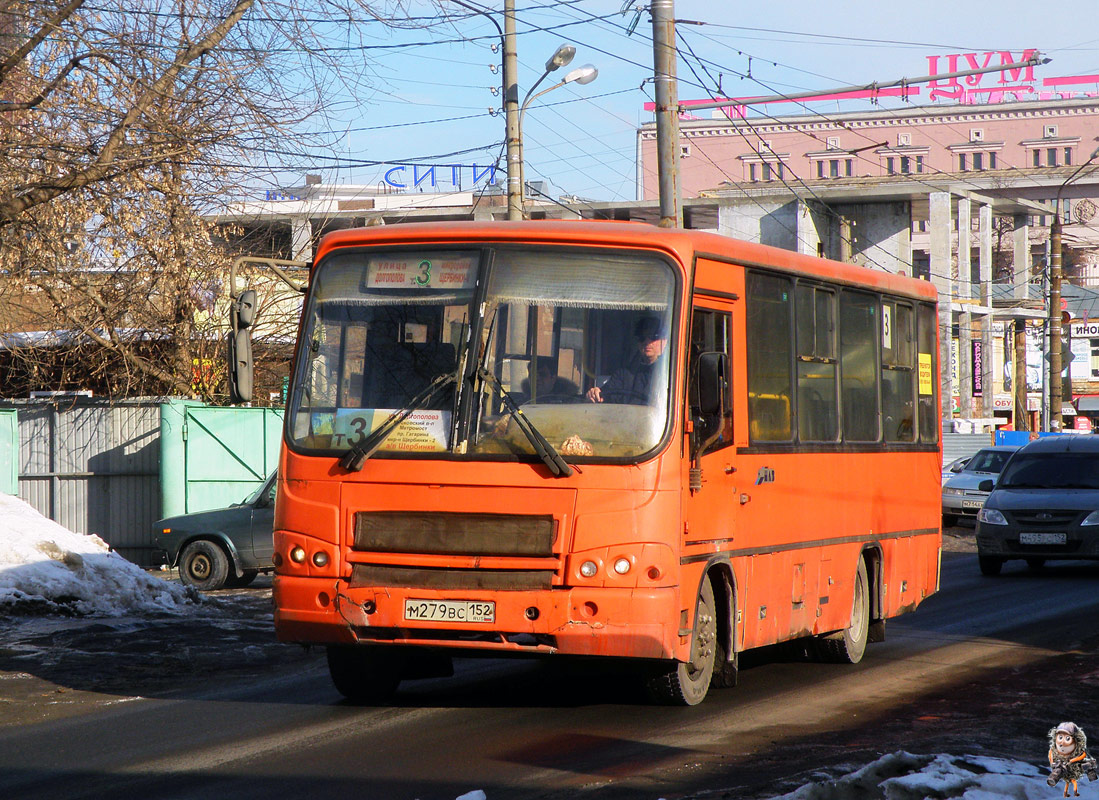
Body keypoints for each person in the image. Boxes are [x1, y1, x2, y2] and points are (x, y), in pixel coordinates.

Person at [586, 316, 668, 404]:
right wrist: (594, 393)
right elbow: (605, 394)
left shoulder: (669, 375)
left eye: (653, 337)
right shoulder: (624, 375)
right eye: (642, 337)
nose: (647, 341)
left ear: (664, 341)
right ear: (638, 342)